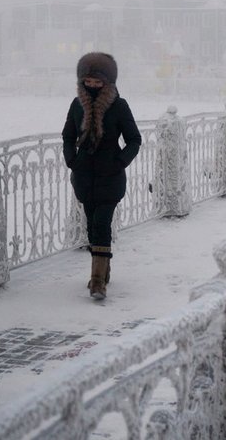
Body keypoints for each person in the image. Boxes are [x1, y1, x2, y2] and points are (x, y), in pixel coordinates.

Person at [62, 52, 142, 300]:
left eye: (98, 82)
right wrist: (72, 160)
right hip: (84, 176)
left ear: (108, 82)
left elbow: (134, 140)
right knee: (91, 225)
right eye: (88, 81)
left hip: (110, 176)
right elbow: (67, 135)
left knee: (101, 224)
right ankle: (104, 268)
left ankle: (97, 281)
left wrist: (119, 162)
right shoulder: (77, 106)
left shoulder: (119, 106)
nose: (93, 86)